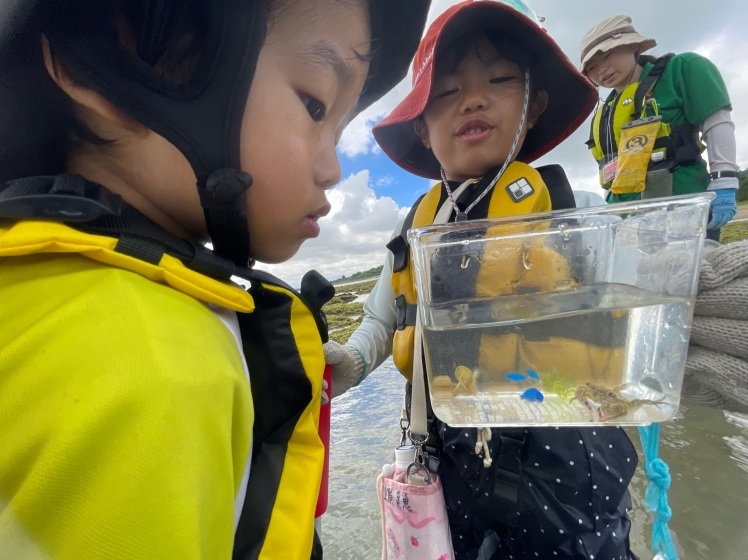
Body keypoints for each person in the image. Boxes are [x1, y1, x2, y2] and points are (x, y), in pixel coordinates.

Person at [0, 1, 430, 558]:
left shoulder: (39, 295)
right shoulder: (158, 366)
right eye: (315, 105)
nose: (333, 168)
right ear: (130, 61)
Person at [325, 1, 640, 559]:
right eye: (446, 92)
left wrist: (698, 306)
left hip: (568, 486)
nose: (473, 98)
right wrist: (349, 362)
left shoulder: (577, 214)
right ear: (422, 127)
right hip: (457, 474)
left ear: (533, 103)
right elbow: (382, 319)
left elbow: (645, 301)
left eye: (498, 79)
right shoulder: (414, 234)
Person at [579, 14, 739, 241]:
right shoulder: (606, 110)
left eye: (607, 54)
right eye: (591, 67)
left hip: (683, 209)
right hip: (627, 222)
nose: (601, 70)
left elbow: (717, 123)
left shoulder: (681, 68)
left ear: (633, 46)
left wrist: (725, 181)